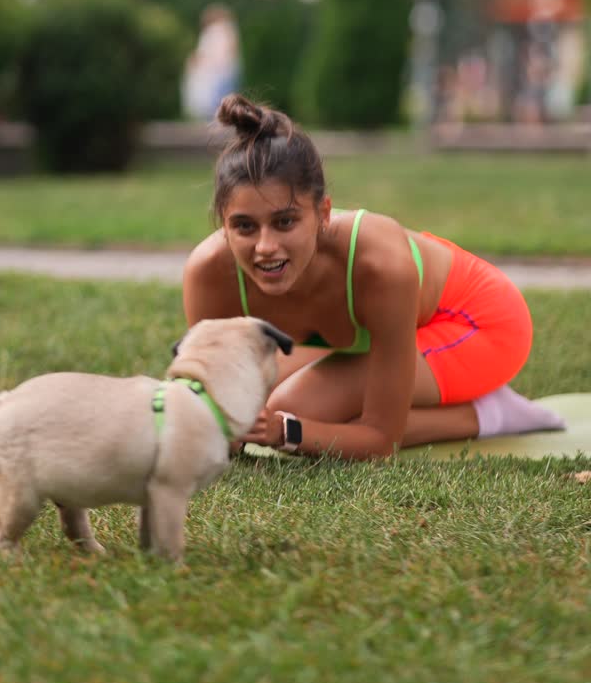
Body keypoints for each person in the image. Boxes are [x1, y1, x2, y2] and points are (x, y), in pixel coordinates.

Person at [182, 94, 564, 460]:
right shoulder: (210, 275)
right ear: (224, 226)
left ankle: (490, 413)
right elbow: (219, 406)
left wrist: (288, 431)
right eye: (244, 226)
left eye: (285, 222)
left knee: (291, 408)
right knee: (261, 403)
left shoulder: (380, 264)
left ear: (323, 213)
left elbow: (380, 441)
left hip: (478, 326)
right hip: (385, 334)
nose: (265, 246)